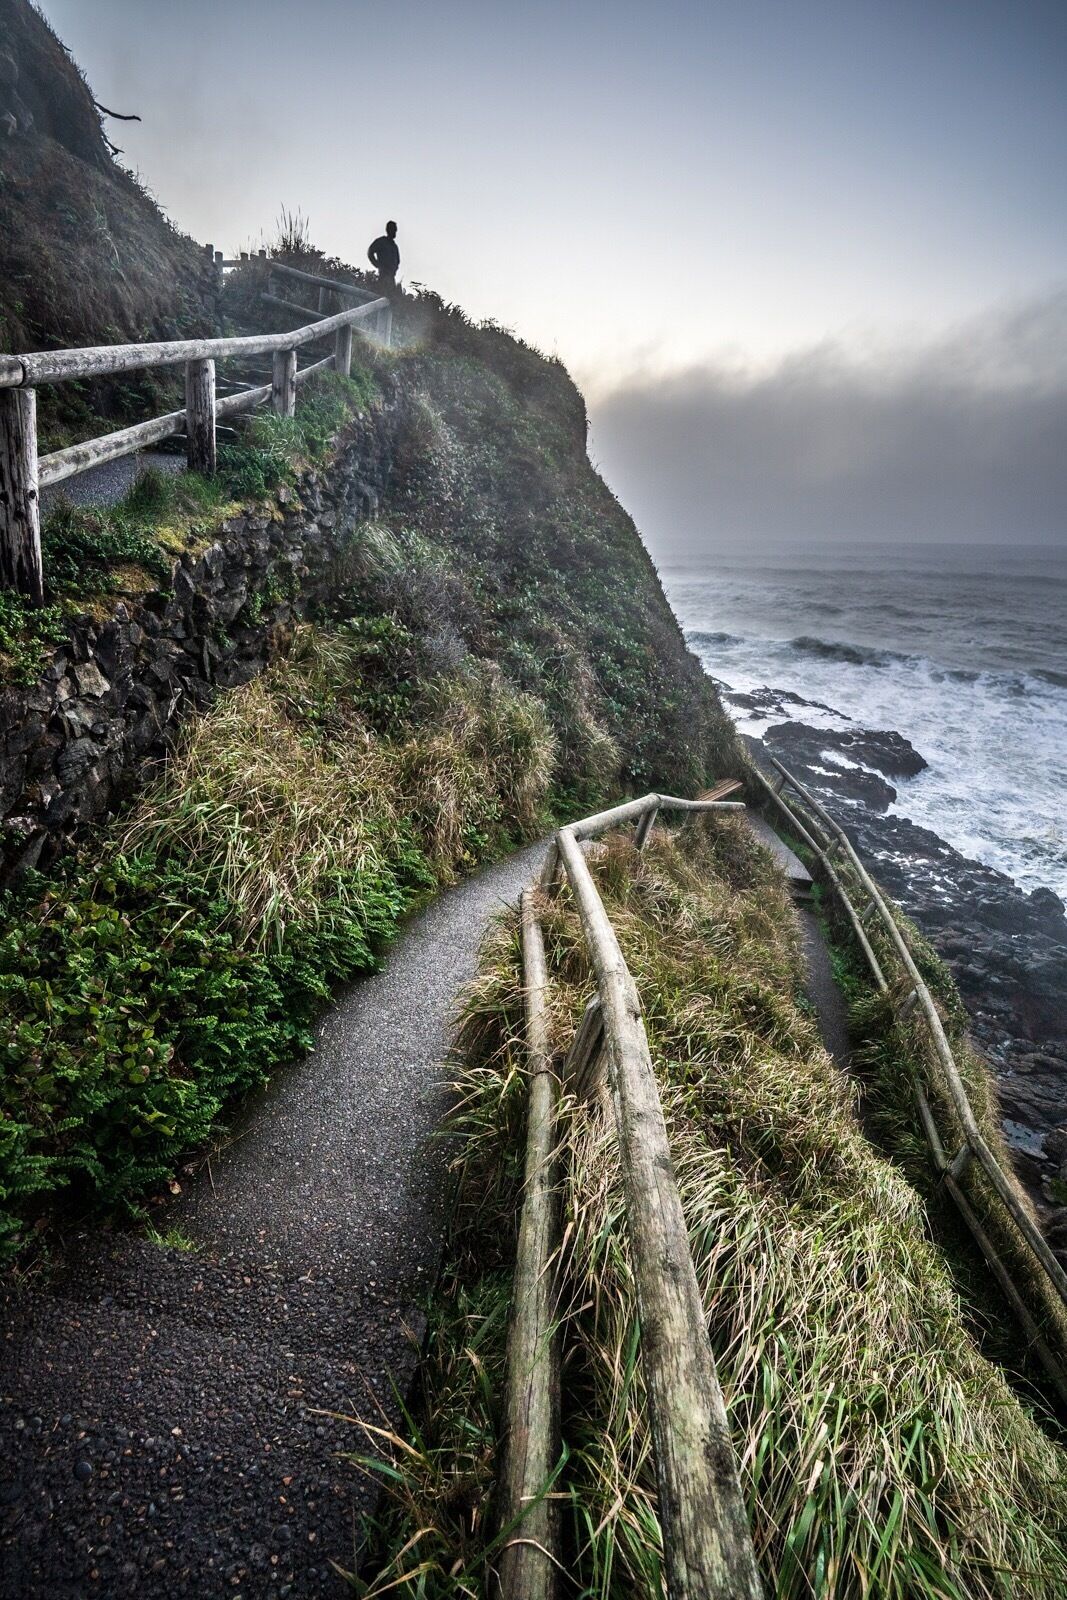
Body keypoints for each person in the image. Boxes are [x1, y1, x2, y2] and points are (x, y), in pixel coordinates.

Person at [367, 221, 400, 292]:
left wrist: (395, 269)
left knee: (392, 295)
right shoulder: (381, 241)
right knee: (383, 293)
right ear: (388, 230)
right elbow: (370, 252)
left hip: (391, 276)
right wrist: (377, 265)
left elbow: (397, 260)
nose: (395, 232)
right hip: (383, 275)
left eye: (395, 230)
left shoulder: (394, 246)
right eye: (393, 230)